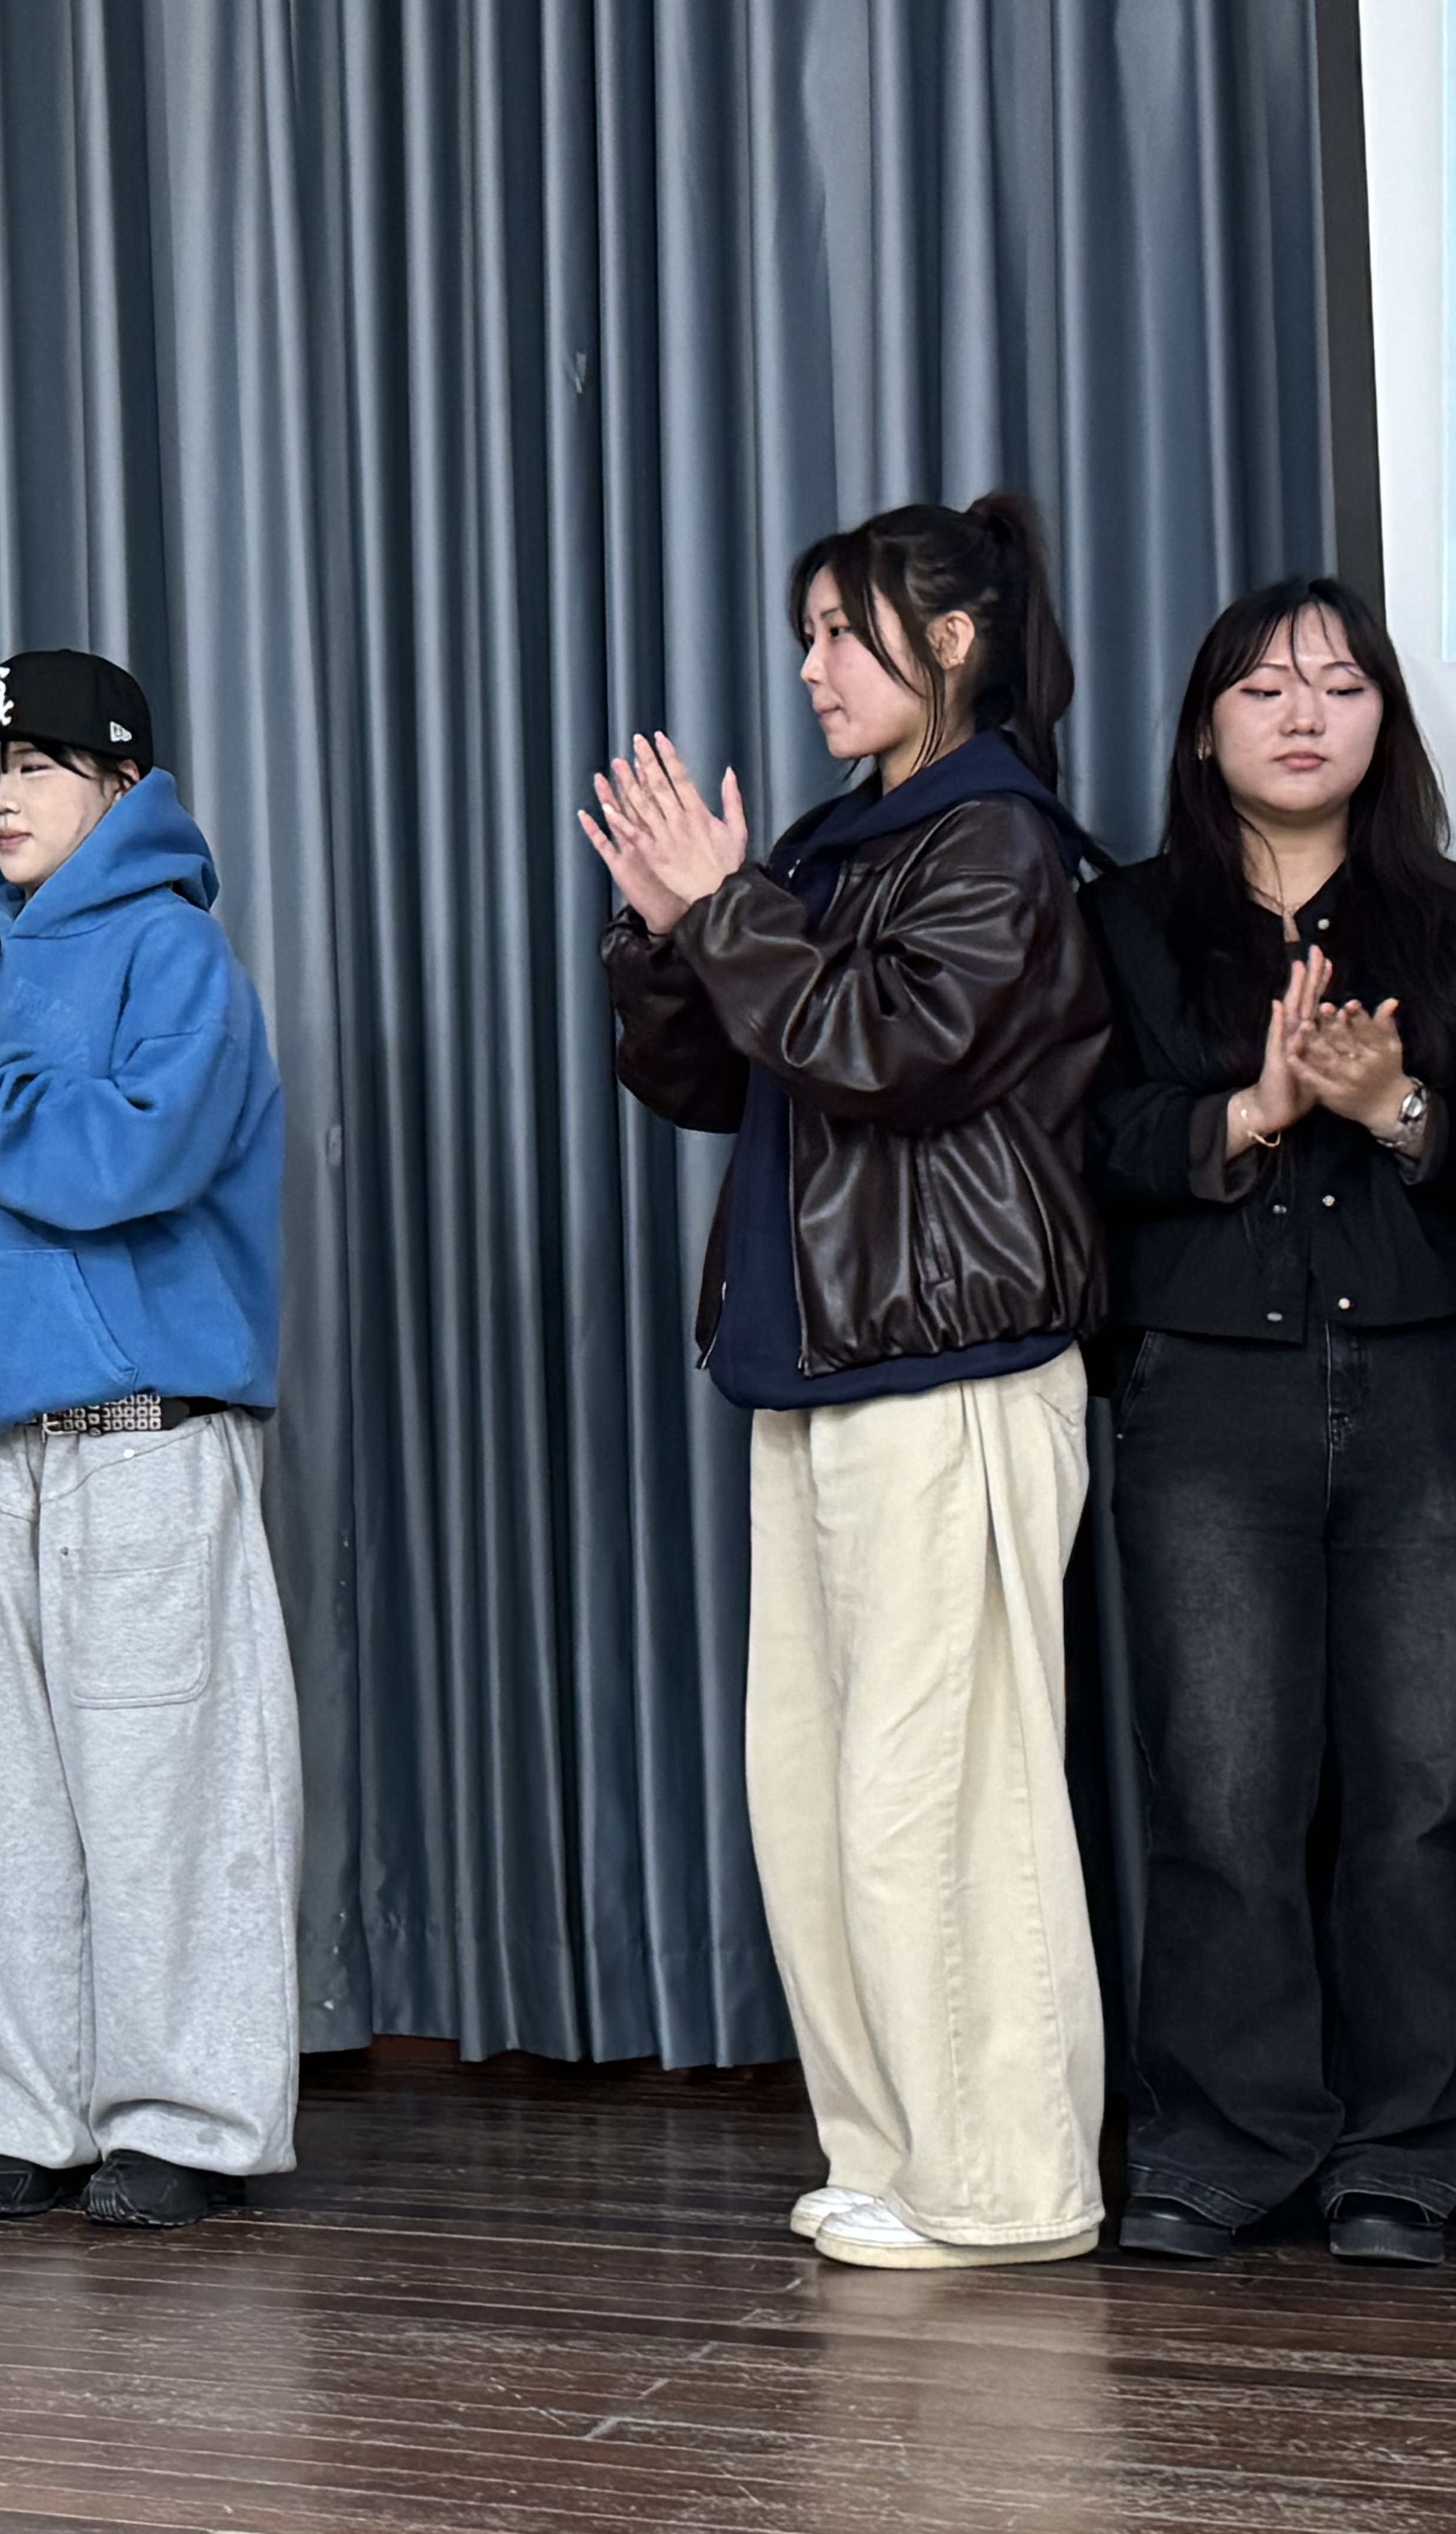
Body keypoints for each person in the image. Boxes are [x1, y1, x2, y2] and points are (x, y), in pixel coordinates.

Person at [587, 494, 1112, 2270]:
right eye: (805, 631)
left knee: (940, 1787)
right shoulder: (836, 843)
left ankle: (1011, 2182)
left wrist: (727, 906)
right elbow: (704, 1074)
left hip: (948, 1367)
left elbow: (890, 1049)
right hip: (817, 1364)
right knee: (814, 1796)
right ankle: (890, 2148)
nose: (809, 666)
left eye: (842, 630)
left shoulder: (999, 843)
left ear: (947, 640)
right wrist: (668, 931)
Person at [0, 649, 299, 2232]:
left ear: (120, 781)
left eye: (33, 764)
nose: (0, 793)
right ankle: (14, 2110)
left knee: (172, 1791)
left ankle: (191, 2119)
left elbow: (122, 1163)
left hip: (142, 1434)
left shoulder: (182, 958)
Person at [1083, 578, 1456, 2270]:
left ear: (1385, 717)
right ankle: (1226, 2144)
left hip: (1425, 1387)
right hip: (1206, 1385)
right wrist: (1249, 1107)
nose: (1303, 712)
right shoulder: (1128, 923)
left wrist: (1402, 1113)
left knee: (1425, 1787)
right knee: (1220, 1786)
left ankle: (1412, 2153)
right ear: (1207, 722)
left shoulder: (1445, 919)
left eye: (1340, 682)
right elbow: (1082, 1146)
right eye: (1262, 685)